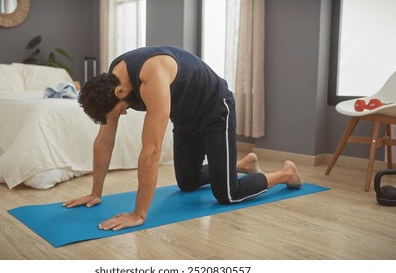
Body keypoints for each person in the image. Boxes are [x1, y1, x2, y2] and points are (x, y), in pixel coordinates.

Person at [63, 46, 303, 231]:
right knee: (187, 182)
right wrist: (96, 192)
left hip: (214, 109)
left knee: (228, 194)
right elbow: (104, 140)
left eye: (119, 111)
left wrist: (139, 213)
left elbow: (152, 151)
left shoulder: (151, 76)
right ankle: (242, 165)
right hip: (186, 118)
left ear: (119, 92)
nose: (123, 113)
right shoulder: (112, 83)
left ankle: (285, 174)